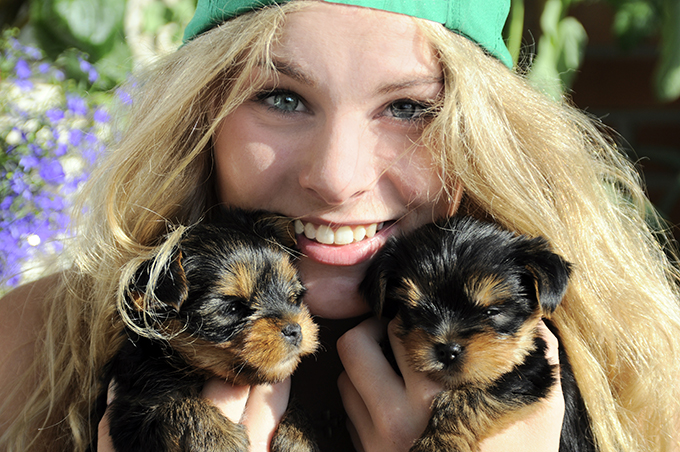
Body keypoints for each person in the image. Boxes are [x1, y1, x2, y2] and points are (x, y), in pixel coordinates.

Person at [1, 0, 679, 451]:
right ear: (198, 117)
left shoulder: (638, 366)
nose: (336, 176)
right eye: (282, 96)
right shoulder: (36, 341)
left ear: (488, 135)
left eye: (410, 108)